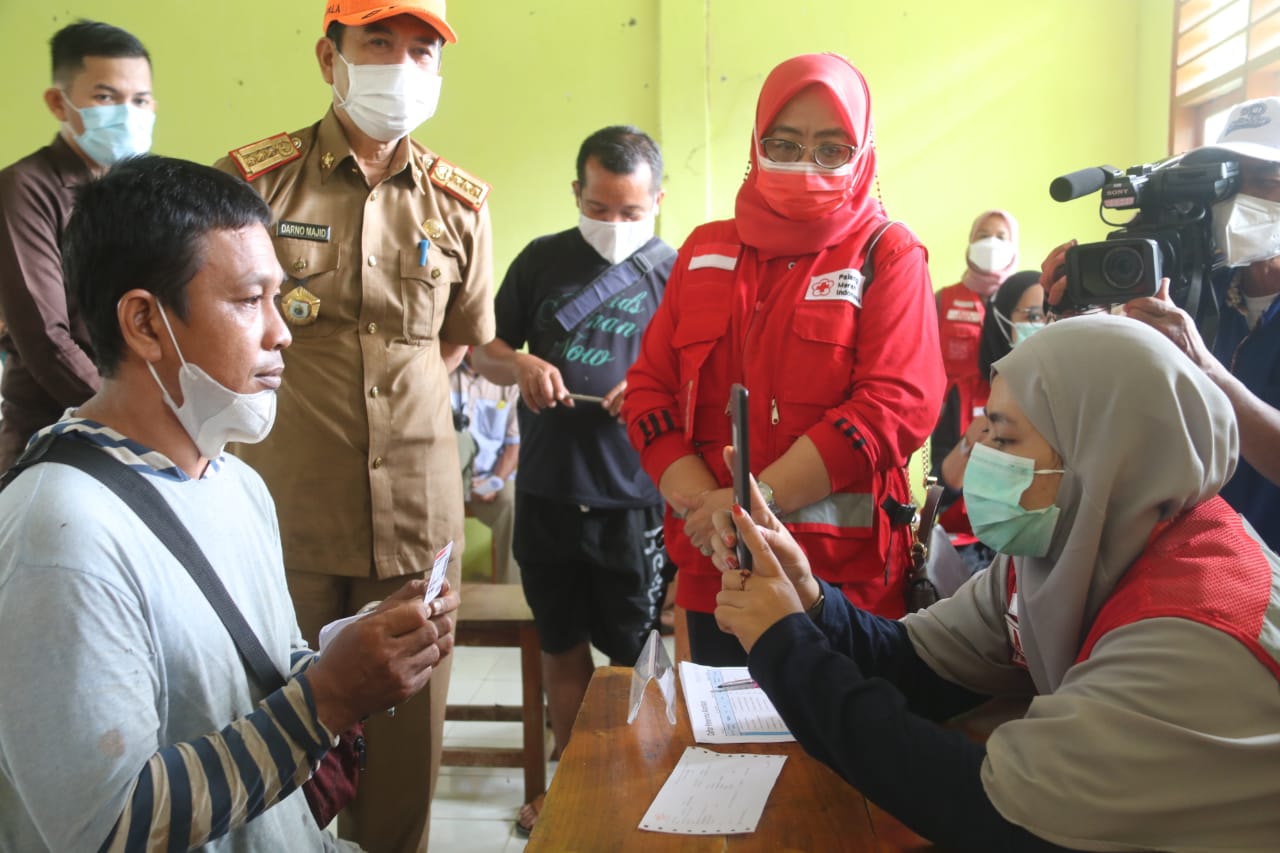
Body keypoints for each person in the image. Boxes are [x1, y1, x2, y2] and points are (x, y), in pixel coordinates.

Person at [0, 155, 460, 852]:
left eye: (279, 297)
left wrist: (351, 655)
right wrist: (327, 700)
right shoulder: (61, 534)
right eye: (249, 300)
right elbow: (106, 829)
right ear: (146, 324)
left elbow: (237, 688)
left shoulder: (233, 480)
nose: (282, 332)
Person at [713, 314, 1280, 851]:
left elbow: (994, 812)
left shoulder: (1196, 630)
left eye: (1005, 440)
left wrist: (785, 644)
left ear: (1102, 455)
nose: (978, 453)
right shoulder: (1064, 543)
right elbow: (915, 666)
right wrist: (809, 602)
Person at [213, 2, 493, 850]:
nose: (400, 66)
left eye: (420, 50)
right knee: (275, 747)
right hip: (282, 513)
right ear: (329, 56)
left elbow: (456, 341)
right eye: (378, 43)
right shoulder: (253, 183)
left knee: (403, 761)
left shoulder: (460, 202)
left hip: (416, 518)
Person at [623, 53, 945, 666]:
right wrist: (703, 504)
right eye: (786, 143)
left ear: (864, 153)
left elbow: (897, 406)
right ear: (756, 142)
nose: (806, 164)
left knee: (839, 757)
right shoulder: (703, 250)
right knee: (719, 753)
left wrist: (749, 499)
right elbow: (648, 393)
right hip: (715, 573)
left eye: (831, 149)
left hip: (841, 585)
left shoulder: (889, 254)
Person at [472, 124, 673, 836]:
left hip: (635, 498)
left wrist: (651, 388)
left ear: (657, 200)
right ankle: (574, 784)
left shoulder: (675, 274)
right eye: (599, 209)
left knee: (633, 655)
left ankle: (634, 781)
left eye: (630, 212)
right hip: (550, 489)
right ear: (576, 194)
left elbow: (706, 381)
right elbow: (483, 350)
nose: (613, 226)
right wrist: (520, 365)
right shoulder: (541, 261)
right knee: (559, 644)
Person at [1045, 96, 1280, 553]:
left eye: (1266, 180)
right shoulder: (1198, 290)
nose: (1238, 199)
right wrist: (1077, 321)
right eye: (1229, 181)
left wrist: (1203, 366)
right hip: (1200, 566)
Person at [0, 20, 156, 471]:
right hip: (57, 435)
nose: (128, 113)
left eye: (140, 100)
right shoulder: (25, 188)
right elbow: (46, 338)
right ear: (58, 102)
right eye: (106, 98)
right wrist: (135, 417)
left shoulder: (141, 189)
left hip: (143, 429)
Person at [934, 269, 1044, 574]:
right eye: (1033, 315)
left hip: (1045, 541)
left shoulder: (1066, 393)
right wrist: (971, 444)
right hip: (971, 547)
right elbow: (940, 488)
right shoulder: (966, 392)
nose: (1044, 325)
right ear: (1002, 320)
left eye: (1051, 315)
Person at [451, 349, 520, 583]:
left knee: (511, 502)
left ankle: (508, 593)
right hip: (446, 482)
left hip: (488, 479)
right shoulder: (440, 372)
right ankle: (437, 596)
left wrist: (496, 480)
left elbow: (514, 445)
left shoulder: (509, 382)